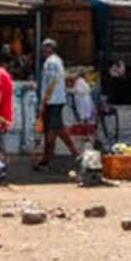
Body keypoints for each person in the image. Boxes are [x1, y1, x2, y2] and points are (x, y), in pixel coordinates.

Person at [34, 38, 81, 170]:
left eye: (48, 47)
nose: (45, 50)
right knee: (54, 129)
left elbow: (51, 82)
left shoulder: (51, 62)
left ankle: (71, 155)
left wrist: (44, 100)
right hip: (55, 100)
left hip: (52, 100)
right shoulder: (55, 61)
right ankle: (48, 159)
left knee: (54, 130)